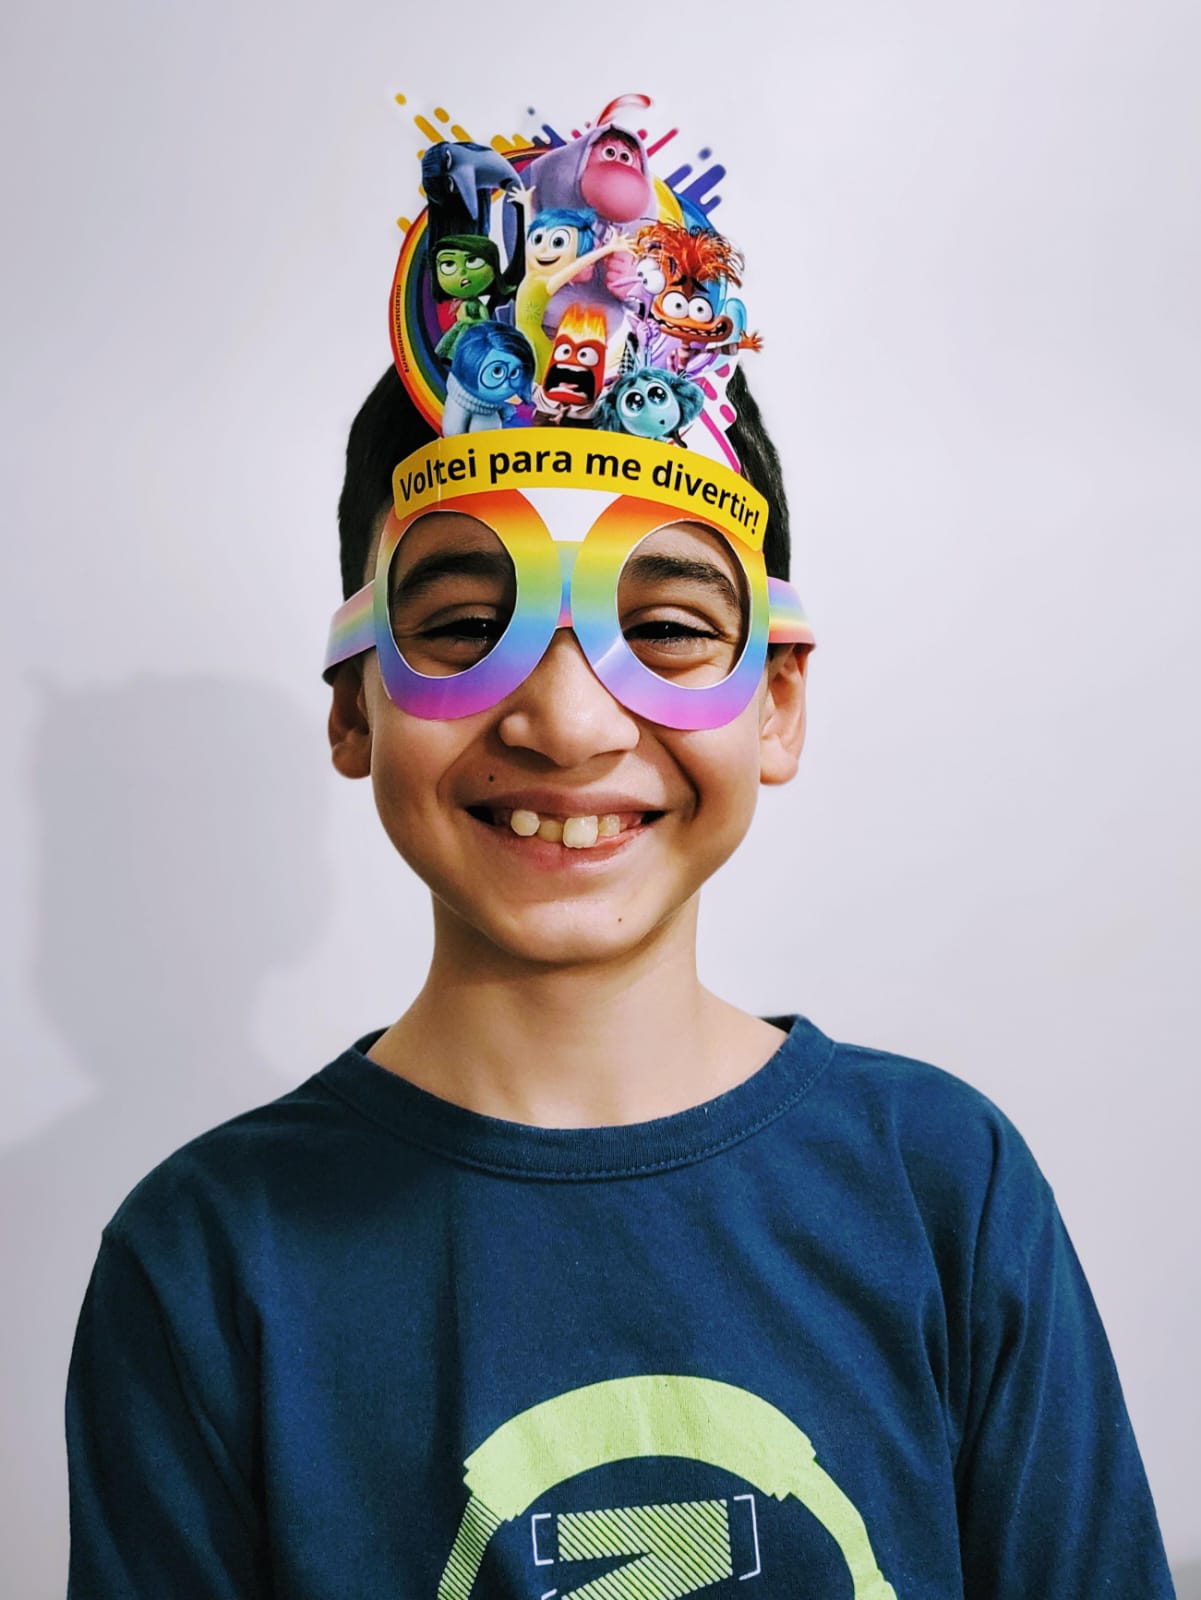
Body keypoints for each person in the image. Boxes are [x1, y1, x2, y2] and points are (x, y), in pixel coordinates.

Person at [65, 105, 1174, 1599]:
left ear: (776, 703)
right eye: (469, 624)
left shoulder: (942, 1193)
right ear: (352, 706)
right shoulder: (207, 1260)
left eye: (661, 627)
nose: (572, 721)